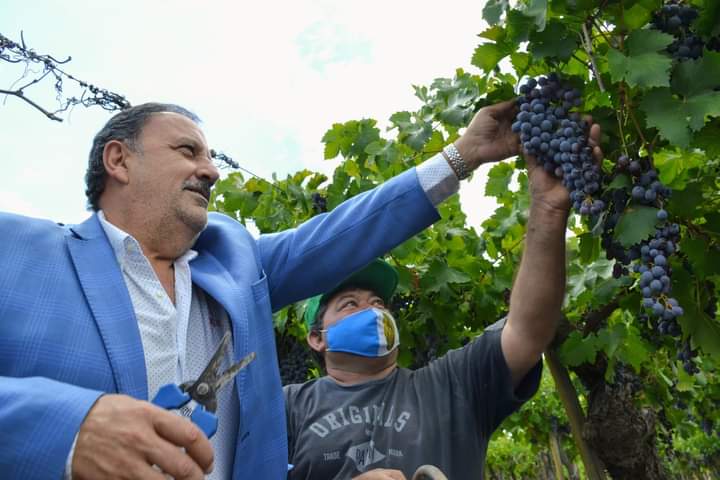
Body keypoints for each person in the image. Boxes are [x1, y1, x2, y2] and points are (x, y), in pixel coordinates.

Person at [0, 99, 524, 480]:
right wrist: (67, 428)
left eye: (210, 158)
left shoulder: (234, 264)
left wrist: (461, 156)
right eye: (188, 151)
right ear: (120, 161)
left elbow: (344, 233)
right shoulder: (18, 251)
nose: (209, 170)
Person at [284, 125, 603, 479]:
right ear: (317, 337)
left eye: (378, 301)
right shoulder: (286, 408)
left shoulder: (452, 386)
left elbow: (528, 329)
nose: (373, 311)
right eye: (350, 304)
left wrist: (547, 209)